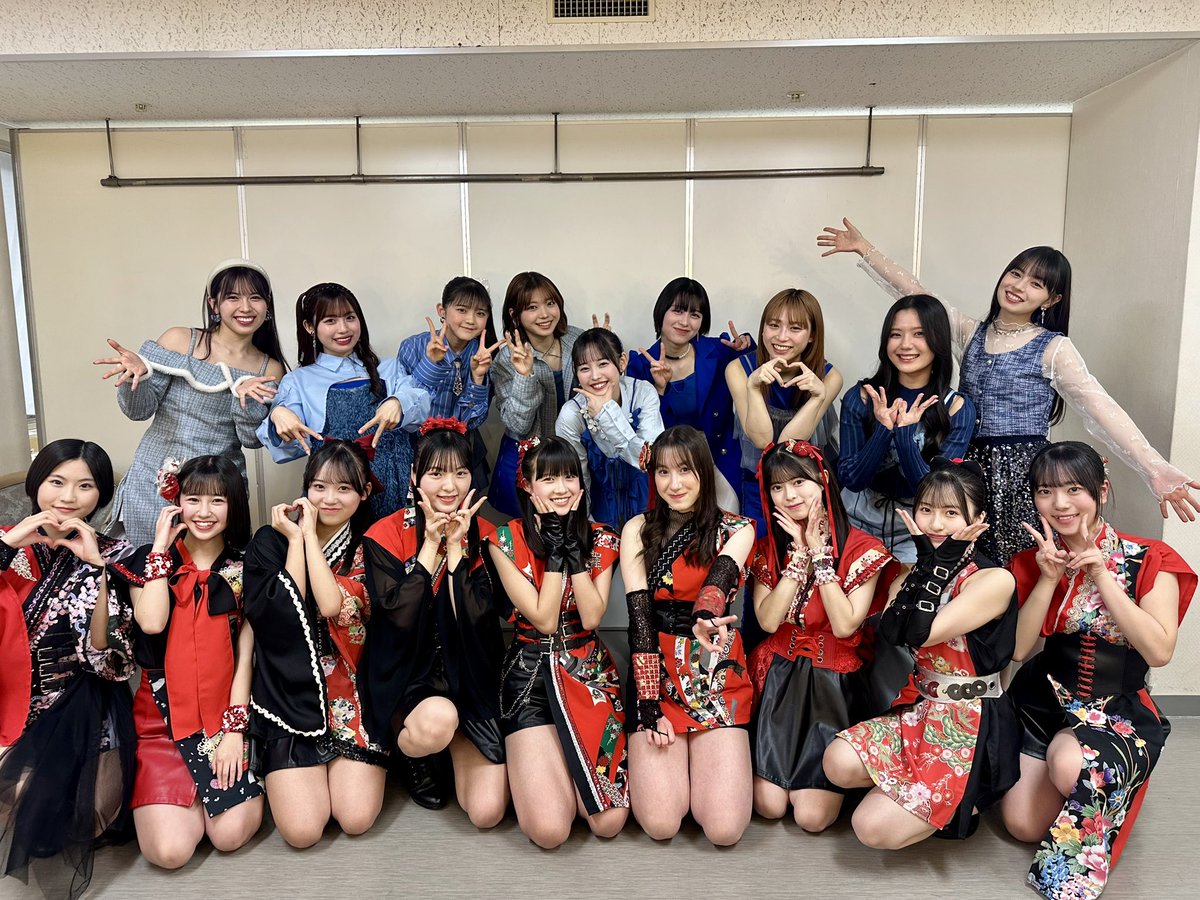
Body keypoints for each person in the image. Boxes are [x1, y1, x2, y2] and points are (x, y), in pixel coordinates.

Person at [817, 218, 1199, 563]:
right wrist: (865, 249)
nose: (1019, 286)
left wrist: (1155, 469)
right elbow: (918, 294)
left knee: (1023, 567)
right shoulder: (971, 333)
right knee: (965, 567)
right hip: (967, 467)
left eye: (1036, 284)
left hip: (1022, 473)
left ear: (1051, 300)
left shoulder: (1053, 348)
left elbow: (1100, 408)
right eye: (1016, 274)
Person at [1002, 442, 1195, 899]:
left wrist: (1103, 575)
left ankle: (1101, 778)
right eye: (1046, 491)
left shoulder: (1150, 558)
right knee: (1023, 826)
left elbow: (1159, 651)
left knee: (1071, 763)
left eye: (1074, 489)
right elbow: (1020, 650)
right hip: (1041, 704)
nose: (1060, 504)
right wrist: (1048, 579)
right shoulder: (1033, 560)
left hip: (1114, 709)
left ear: (1101, 491)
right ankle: (1082, 780)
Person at [824, 459, 1020, 847]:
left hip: (970, 721)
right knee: (837, 761)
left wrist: (938, 564)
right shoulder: (911, 571)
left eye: (951, 513)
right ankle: (916, 796)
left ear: (978, 520)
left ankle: (965, 799)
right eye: (926, 509)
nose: (935, 524)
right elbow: (894, 631)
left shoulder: (994, 579)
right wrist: (929, 565)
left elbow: (923, 634)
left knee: (869, 827)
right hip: (922, 707)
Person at [0, 439, 139, 898]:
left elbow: (110, 661)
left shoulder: (117, 553)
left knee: (83, 817)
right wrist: (7, 546)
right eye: (57, 482)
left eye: (85, 485)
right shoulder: (7, 541)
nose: (68, 497)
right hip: (12, 697)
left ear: (100, 495)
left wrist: (96, 569)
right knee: (22, 803)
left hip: (82, 703)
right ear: (36, 483)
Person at [359, 418, 509, 826]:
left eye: (460, 473)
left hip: (472, 676)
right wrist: (430, 545)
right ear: (415, 476)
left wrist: (457, 548)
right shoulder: (385, 534)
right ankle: (412, 752)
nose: (449, 486)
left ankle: (454, 740)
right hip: (410, 675)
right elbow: (397, 619)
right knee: (438, 719)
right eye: (436, 473)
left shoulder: (490, 535)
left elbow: (481, 618)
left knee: (487, 812)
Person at [244, 440, 388, 848]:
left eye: (344, 488)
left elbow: (331, 606)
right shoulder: (269, 542)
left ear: (364, 493)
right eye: (319, 487)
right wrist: (295, 541)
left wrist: (308, 535)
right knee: (303, 831)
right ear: (306, 488)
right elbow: (281, 615)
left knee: (356, 819)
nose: (329, 499)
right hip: (286, 694)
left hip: (351, 692)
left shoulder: (369, 547)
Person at [486, 437, 628, 847]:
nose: (561, 488)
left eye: (569, 477)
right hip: (528, 678)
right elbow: (545, 619)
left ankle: (559, 773)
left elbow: (592, 617)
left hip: (589, 675)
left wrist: (572, 550)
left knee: (609, 822)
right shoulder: (504, 540)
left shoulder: (602, 538)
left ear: (581, 485)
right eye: (548, 479)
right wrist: (552, 549)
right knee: (550, 830)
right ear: (528, 486)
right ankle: (537, 774)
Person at [746, 440, 894, 831]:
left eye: (799, 482)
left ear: (823, 480)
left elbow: (845, 625)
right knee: (769, 806)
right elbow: (768, 621)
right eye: (777, 487)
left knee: (811, 818)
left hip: (834, 683)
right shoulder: (768, 549)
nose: (789, 495)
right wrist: (797, 557)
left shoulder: (864, 548)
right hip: (778, 678)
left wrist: (820, 556)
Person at [123, 455, 263, 868]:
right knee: (169, 853)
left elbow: (246, 657)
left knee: (229, 836)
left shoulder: (246, 567)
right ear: (176, 501)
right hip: (161, 719)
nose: (204, 512)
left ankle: (210, 794)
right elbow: (151, 622)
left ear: (234, 505)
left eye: (217, 500)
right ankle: (185, 798)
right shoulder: (146, 559)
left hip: (224, 716)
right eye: (193, 499)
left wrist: (234, 732)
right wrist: (160, 549)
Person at [620, 425, 757, 846]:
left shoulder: (738, 528)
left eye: (685, 470)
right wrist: (648, 705)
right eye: (663, 472)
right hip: (655, 668)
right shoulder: (637, 529)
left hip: (714, 665)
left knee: (724, 829)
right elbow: (640, 620)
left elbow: (719, 581)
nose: (674, 484)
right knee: (661, 824)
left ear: (704, 471)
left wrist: (704, 616)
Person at [95, 259, 286, 547]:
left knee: (212, 571)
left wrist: (245, 400)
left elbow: (251, 439)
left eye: (255, 297)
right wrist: (138, 377)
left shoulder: (268, 368)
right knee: (147, 566)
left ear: (267, 305)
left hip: (217, 492)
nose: (245, 307)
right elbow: (138, 411)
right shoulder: (179, 340)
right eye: (233, 297)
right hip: (153, 482)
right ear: (213, 304)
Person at [257, 282, 430, 517]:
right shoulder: (298, 381)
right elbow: (288, 449)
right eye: (330, 320)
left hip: (397, 486)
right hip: (333, 496)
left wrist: (398, 403)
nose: (343, 329)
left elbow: (420, 402)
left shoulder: (389, 368)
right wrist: (278, 416)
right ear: (309, 326)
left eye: (350, 318)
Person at [838, 294, 976, 562]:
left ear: (937, 340)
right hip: (855, 519)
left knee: (908, 588)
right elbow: (851, 479)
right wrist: (883, 430)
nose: (905, 344)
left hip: (919, 529)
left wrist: (904, 435)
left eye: (919, 334)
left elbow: (937, 494)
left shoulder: (956, 407)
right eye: (895, 334)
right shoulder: (863, 396)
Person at [626, 277, 754, 509]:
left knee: (729, 518)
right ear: (661, 313)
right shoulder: (640, 365)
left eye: (695, 314)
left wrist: (746, 343)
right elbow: (644, 433)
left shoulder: (719, 351)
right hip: (670, 466)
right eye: (677, 311)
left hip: (718, 456)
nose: (685, 321)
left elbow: (756, 367)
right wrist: (660, 389)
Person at [489, 272, 583, 518]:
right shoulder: (506, 359)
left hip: (573, 456)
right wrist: (525, 375)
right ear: (514, 314)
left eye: (550, 303)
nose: (544, 314)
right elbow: (518, 425)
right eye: (532, 307)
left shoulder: (578, 341)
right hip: (527, 459)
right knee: (528, 531)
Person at [396, 277, 504, 492]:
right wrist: (431, 364)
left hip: (462, 453)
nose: (471, 320)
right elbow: (407, 411)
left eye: (480, 313)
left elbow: (473, 421)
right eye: (462, 310)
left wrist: (477, 378)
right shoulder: (413, 346)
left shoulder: (484, 354)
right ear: (442, 310)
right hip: (415, 450)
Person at [555, 327, 664, 529]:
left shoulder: (643, 393)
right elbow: (576, 479)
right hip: (598, 516)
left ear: (622, 362)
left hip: (649, 511)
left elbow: (649, 459)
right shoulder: (571, 414)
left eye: (603, 364)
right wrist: (587, 528)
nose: (595, 376)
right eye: (584, 368)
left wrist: (606, 414)